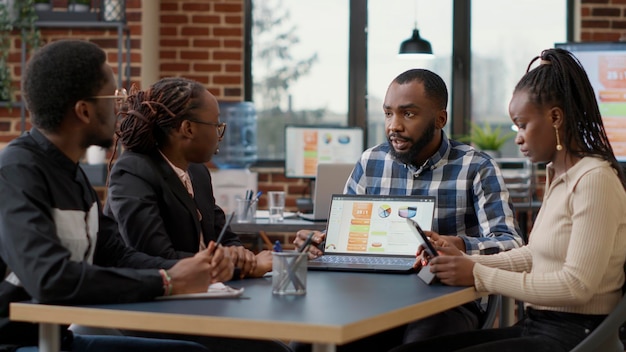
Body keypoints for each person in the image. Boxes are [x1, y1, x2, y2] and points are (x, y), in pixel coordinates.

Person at [0, 40, 234, 351]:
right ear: (84, 111)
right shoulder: (15, 172)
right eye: (114, 97)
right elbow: (50, 279)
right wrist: (167, 282)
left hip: (57, 339)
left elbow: (118, 254)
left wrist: (185, 271)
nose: (122, 107)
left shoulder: (72, 174)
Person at [389, 48, 626, 352]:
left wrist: (478, 274)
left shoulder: (594, 179)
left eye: (523, 124)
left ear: (555, 117)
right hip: (539, 325)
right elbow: (534, 256)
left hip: (575, 335)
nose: (517, 137)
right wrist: (463, 262)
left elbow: (577, 286)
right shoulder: (560, 174)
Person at [292, 68, 524, 351]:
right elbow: (345, 235)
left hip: (446, 299)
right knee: (306, 342)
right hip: (374, 296)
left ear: (440, 119)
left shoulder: (477, 167)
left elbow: (511, 245)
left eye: (408, 114)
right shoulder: (371, 161)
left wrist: (459, 245)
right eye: (389, 113)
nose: (394, 126)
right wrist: (321, 242)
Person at [103, 77, 271, 279]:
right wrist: (244, 268)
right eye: (215, 124)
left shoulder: (198, 172)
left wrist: (241, 255)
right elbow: (157, 258)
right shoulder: (132, 172)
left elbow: (223, 235)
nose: (219, 134)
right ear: (188, 129)